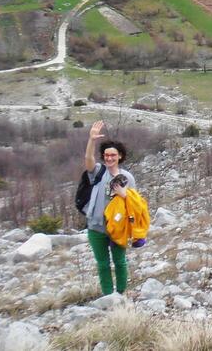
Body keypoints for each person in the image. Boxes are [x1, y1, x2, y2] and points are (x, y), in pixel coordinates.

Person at [83, 121, 136, 295]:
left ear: (120, 156)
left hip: (119, 227)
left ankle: (120, 293)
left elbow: (135, 205)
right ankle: (108, 295)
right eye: (106, 155)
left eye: (113, 155)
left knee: (120, 261)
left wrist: (124, 194)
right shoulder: (98, 171)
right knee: (103, 263)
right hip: (96, 225)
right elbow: (88, 160)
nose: (109, 158)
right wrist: (92, 140)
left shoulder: (127, 177)